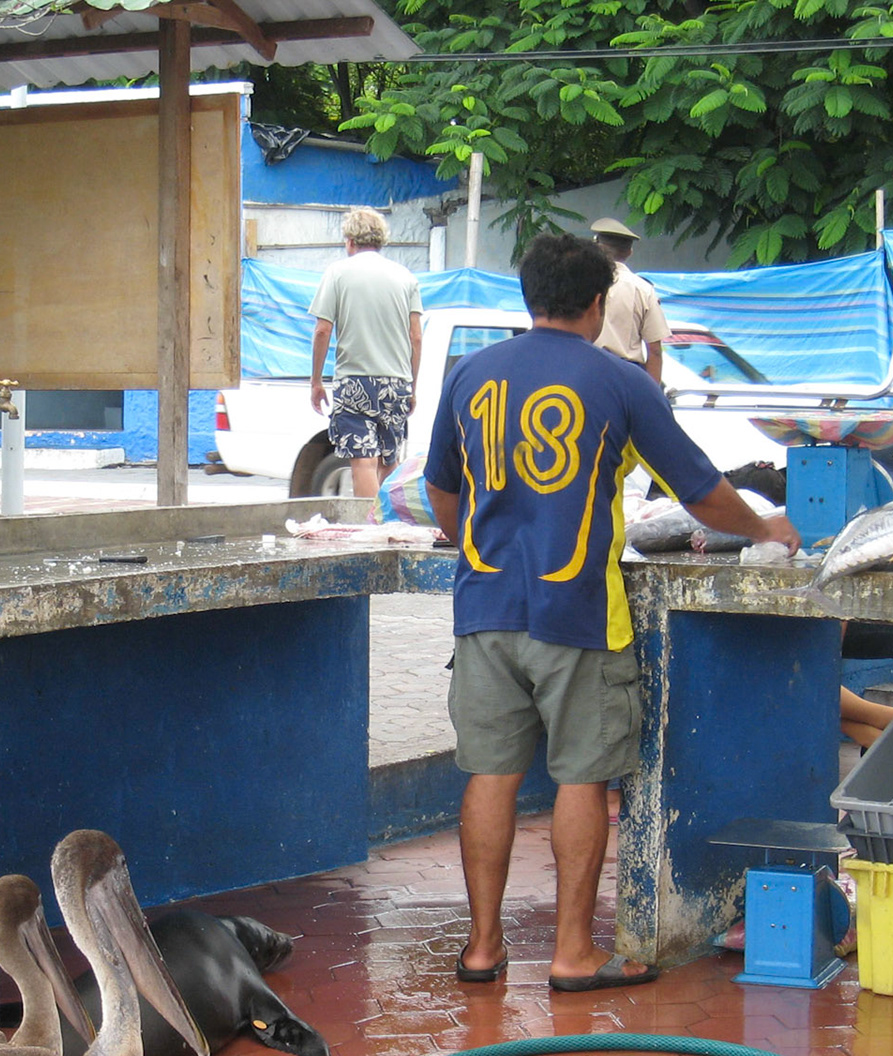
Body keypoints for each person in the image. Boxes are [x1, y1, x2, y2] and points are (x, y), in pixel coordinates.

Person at [422, 234, 800, 991]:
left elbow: (440, 487)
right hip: (580, 615)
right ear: (598, 304)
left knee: (490, 774)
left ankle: (482, 949)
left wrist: (478, 545)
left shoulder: (469, 375)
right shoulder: (623, 382)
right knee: (582, 780)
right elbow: (698, 491)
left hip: (484, 607)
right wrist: (766, 528)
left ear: (527, 297)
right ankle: (572, 955)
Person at [308, 207, 423, 498]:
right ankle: (389, 525)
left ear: (349, 241)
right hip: (395, 382)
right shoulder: (405, 277)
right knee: (389, 459)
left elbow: (322, 330)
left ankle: (370, 528)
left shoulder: (337, 273)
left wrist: (316, 382)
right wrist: (412, 387)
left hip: (354, 382)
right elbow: (416, 337)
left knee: (363, 461)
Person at [589, 218, 672, 383]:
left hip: (588, 371)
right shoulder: (643, 289)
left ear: (596, 247)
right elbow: (654, 351)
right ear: (629, 252)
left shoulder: (580, 282)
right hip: (627, 377)